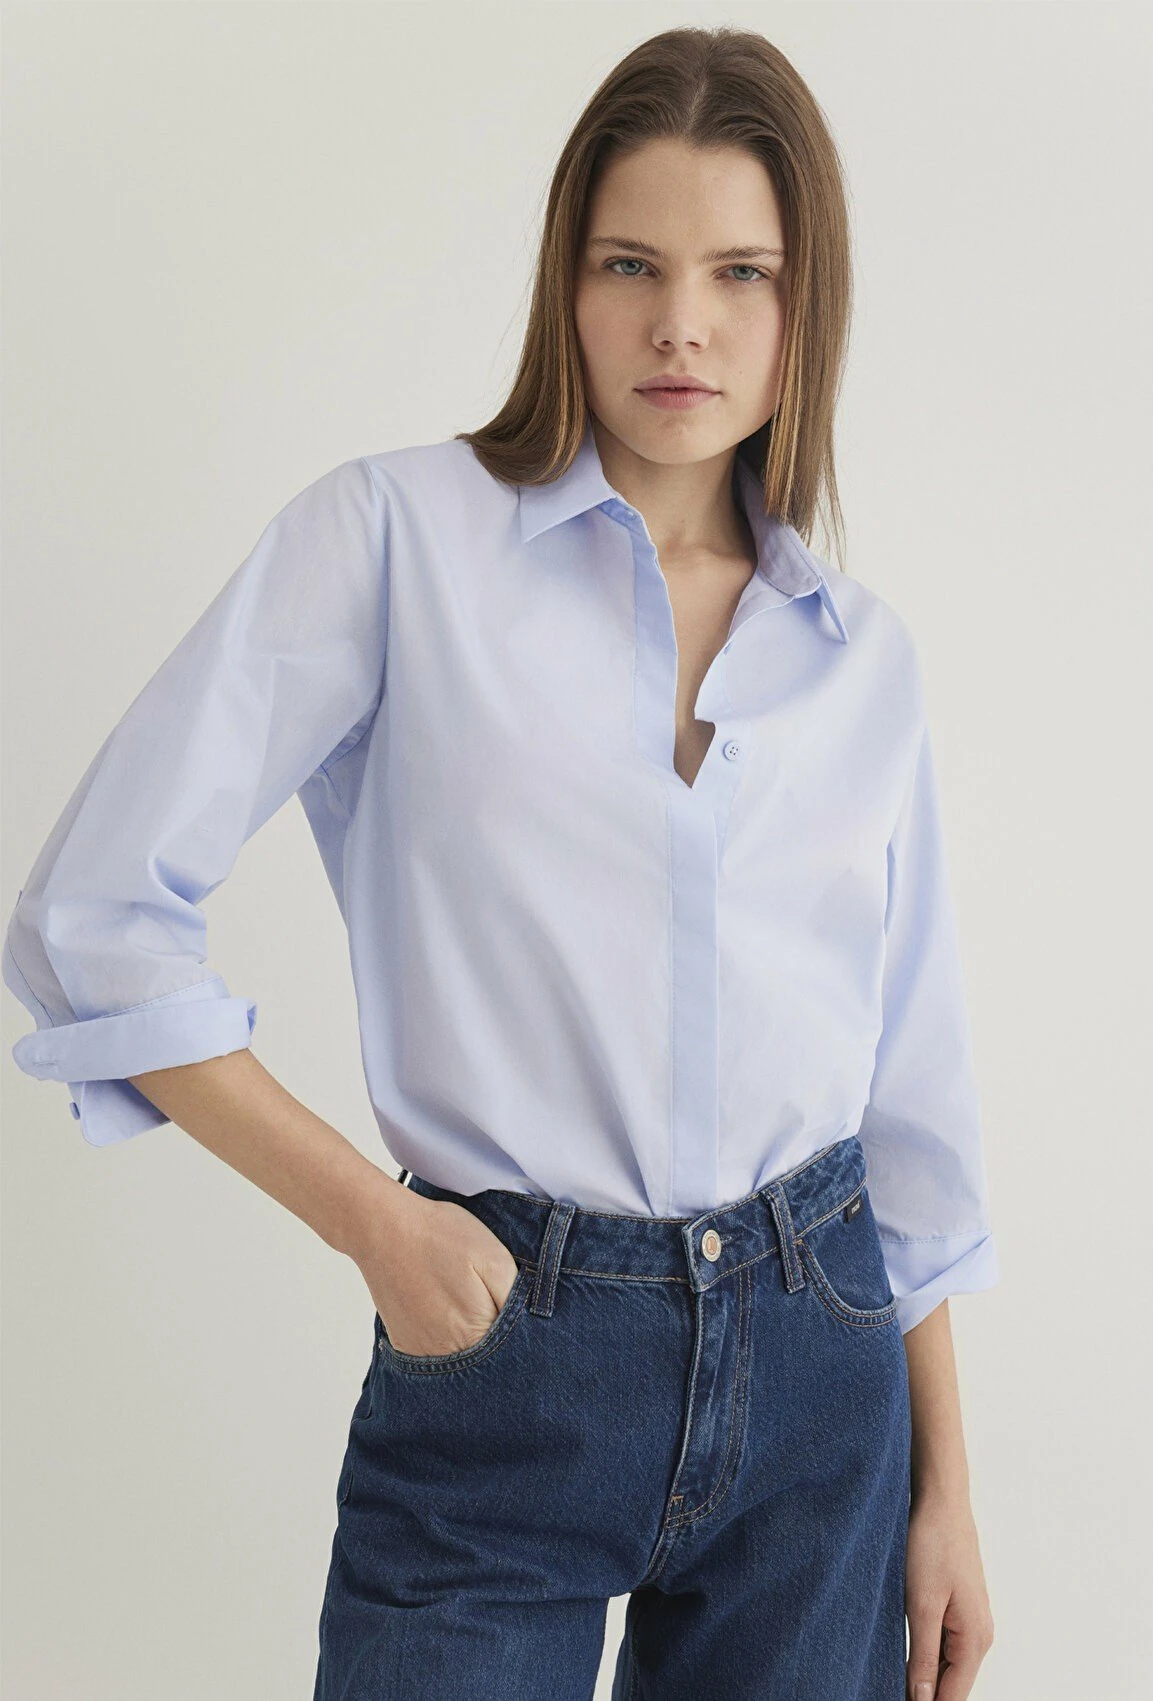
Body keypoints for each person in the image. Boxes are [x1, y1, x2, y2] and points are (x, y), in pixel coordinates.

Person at [3, 24, 1000, 1701]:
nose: (681, 325)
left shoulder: (860, 656)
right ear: (567, 282)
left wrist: (948, 1488)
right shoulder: (395, 541)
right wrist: (372, 1225)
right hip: (502, 1353)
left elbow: (907, 1097)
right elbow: (92, 917)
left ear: (803, 303)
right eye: (631, 264)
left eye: (740, 274)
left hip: (821, 1379)